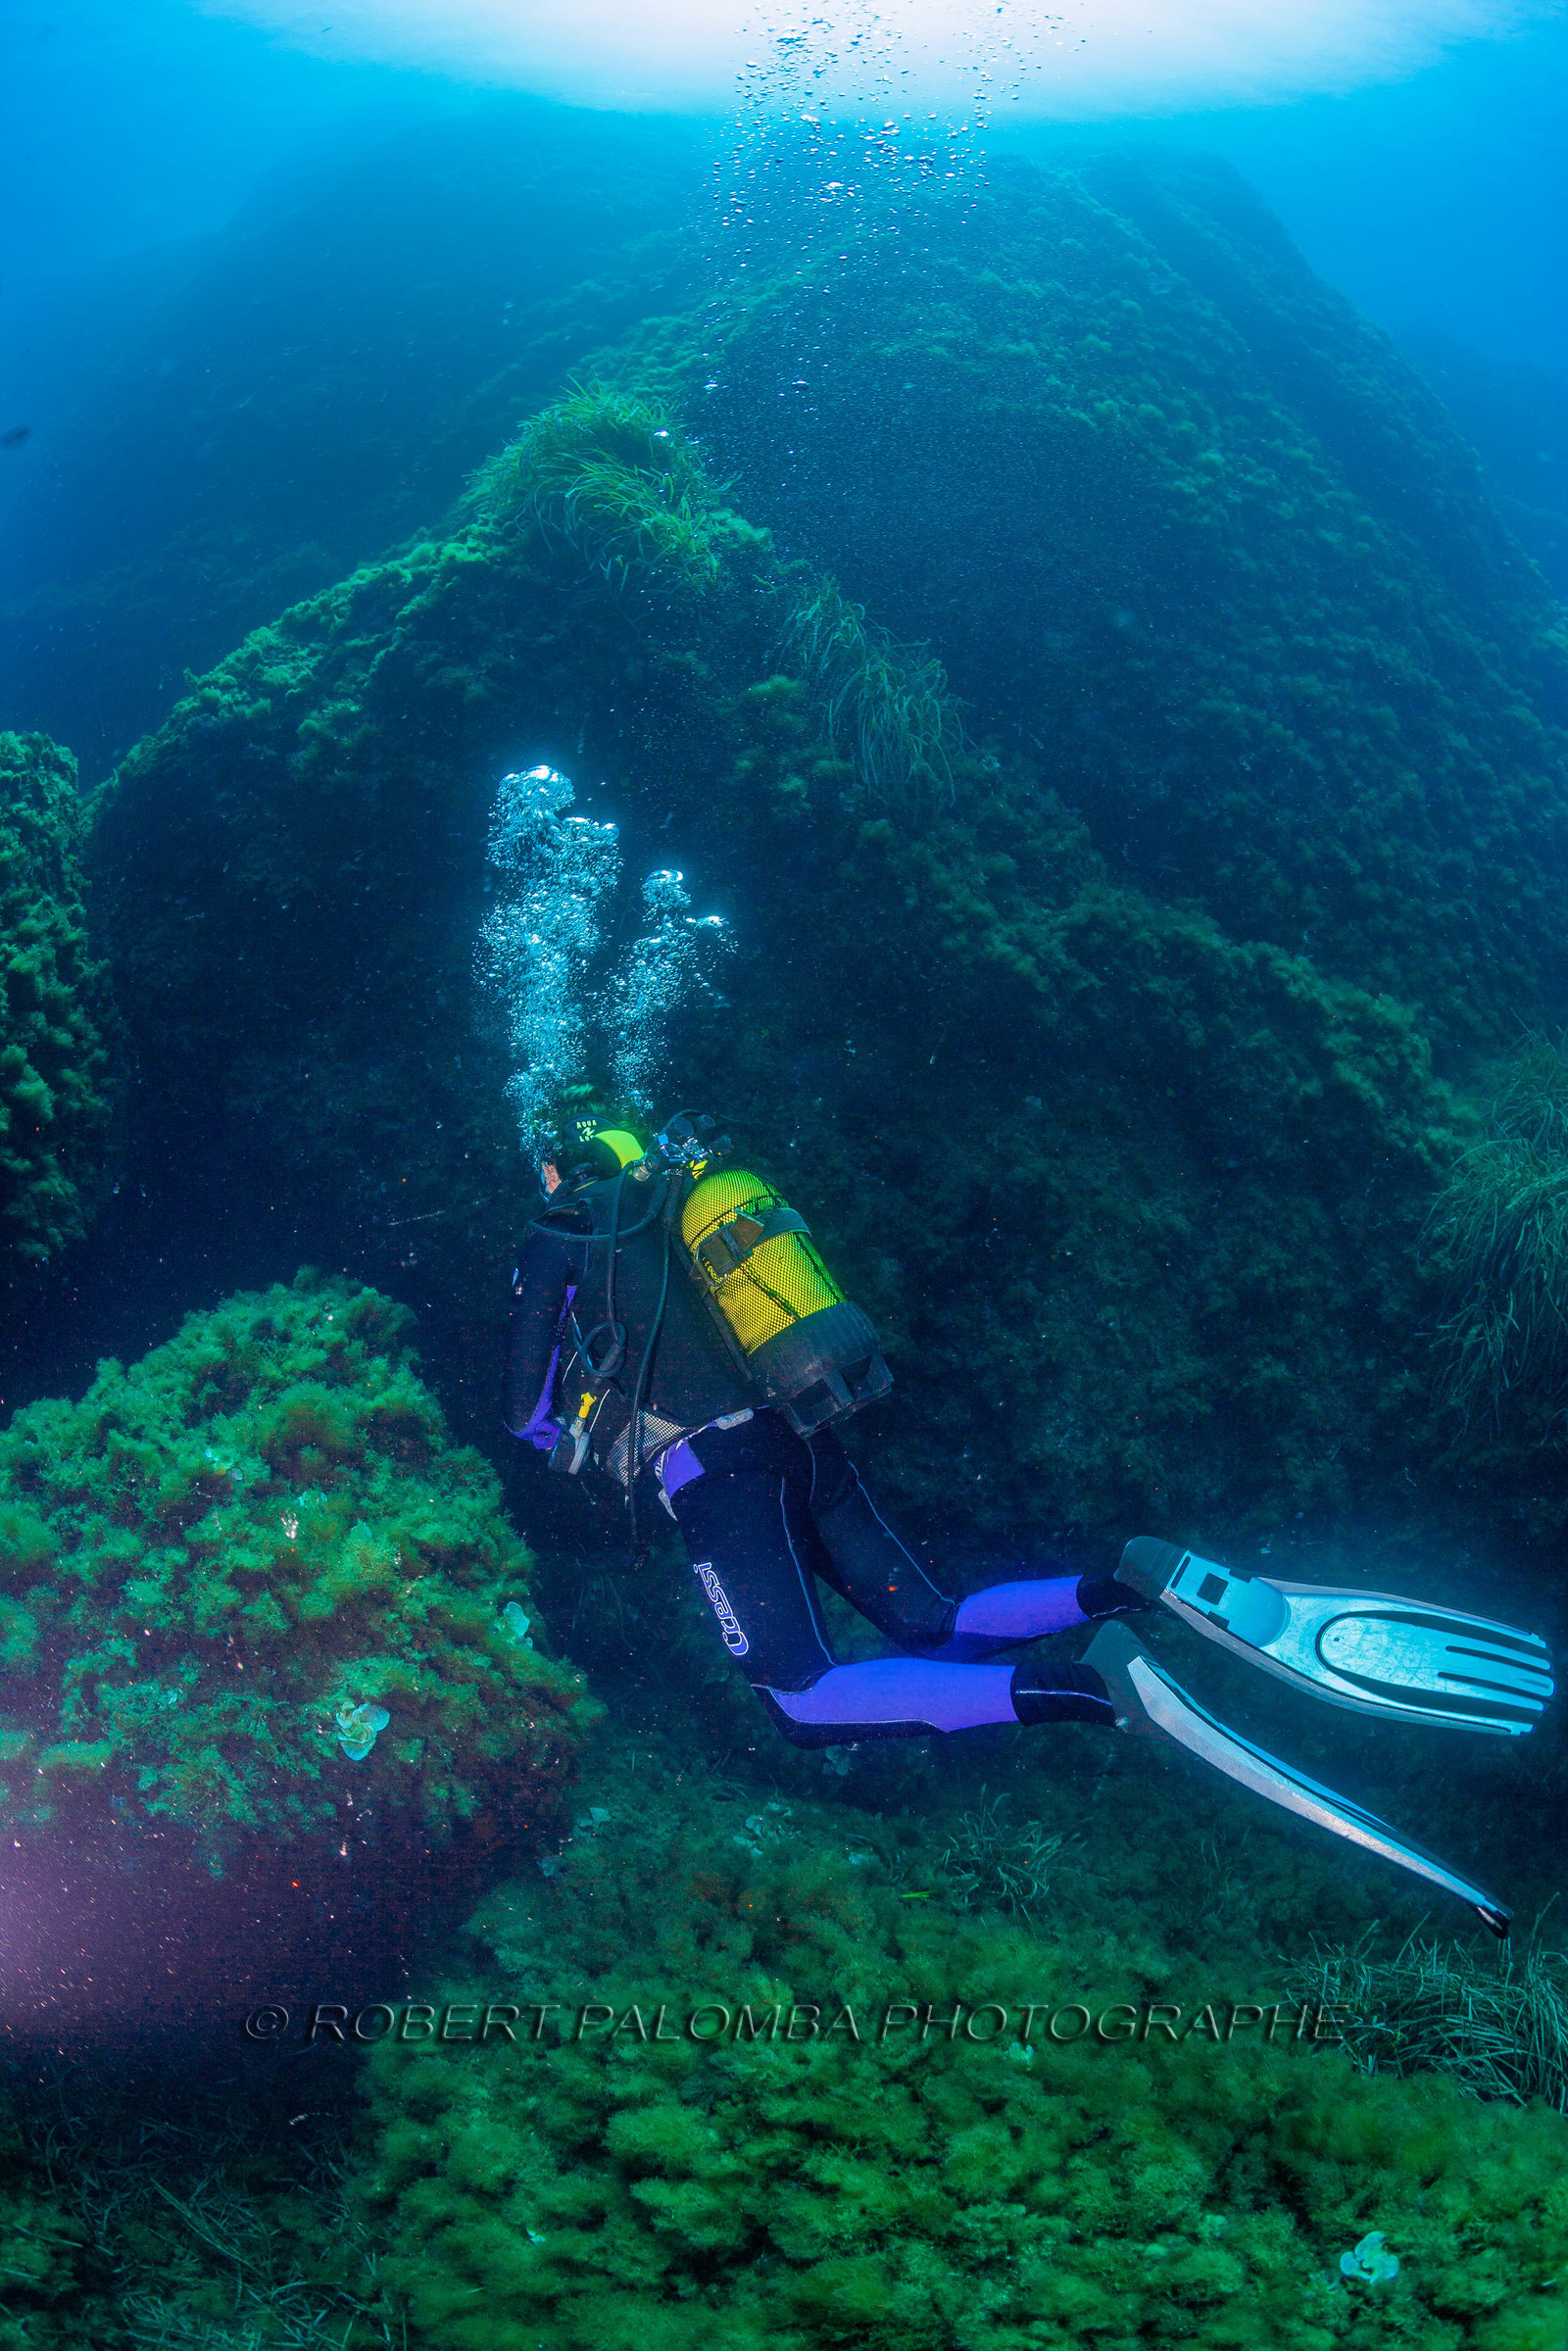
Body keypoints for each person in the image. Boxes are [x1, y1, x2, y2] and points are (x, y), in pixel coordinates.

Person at [506, 1108, 1553, 1934]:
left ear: (563, 1167)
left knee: (800, 1695)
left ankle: (1096, 1688)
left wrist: (572, 1433)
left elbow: (526, 1409)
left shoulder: (564, 1229)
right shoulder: (693, 1200)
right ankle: (1132, 1580)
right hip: (800, 1434)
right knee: (931, 1617)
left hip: (712, 1469)